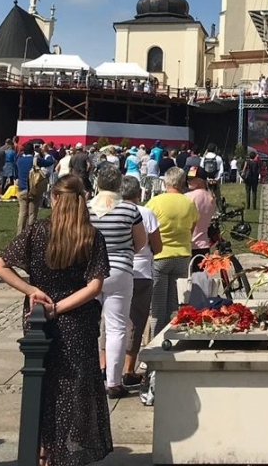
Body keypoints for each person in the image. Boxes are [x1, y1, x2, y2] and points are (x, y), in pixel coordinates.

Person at [0, 175, 113, 466]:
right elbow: (94, 286)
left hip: (38, 315)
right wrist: (59, 307)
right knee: (75, 384)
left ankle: (44, 445)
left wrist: (32, 290)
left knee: (44, 384)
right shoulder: (90, 236)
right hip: (76, 317)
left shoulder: (36, 231)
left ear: (56, 199)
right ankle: (67, 447)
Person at [91, 166, 145, 398]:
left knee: (88, 326)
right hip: (120, 268)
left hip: (90, 270)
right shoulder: (129, 210)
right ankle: (113, 382)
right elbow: (140, 242)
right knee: (116, 327)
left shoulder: (86, 209)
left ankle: (89, 377)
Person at [120, 175, 160, 389]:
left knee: (111, 321)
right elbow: (158, 245)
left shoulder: (111, 211)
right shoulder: (145, 213)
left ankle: (105, 366)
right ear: (139, 193)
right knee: (136, 321)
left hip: (114, 269)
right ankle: (128, 369)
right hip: (141, 270)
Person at [148, 167, 198, 332]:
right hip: (182, 254)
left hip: (160, 255)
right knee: (174, 302)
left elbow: (146, 226)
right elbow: (192, 227)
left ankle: (156, 336)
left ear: (166, 182)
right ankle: (172, 333)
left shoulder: (156, 202)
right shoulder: (189, 203)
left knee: (158, 305)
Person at [186, 167, 216, 257]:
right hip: (204, 244)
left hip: (190, 244)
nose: (187, 181)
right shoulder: (211, 197)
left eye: (191, 179)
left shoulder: (188, 197)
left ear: (199, 180)